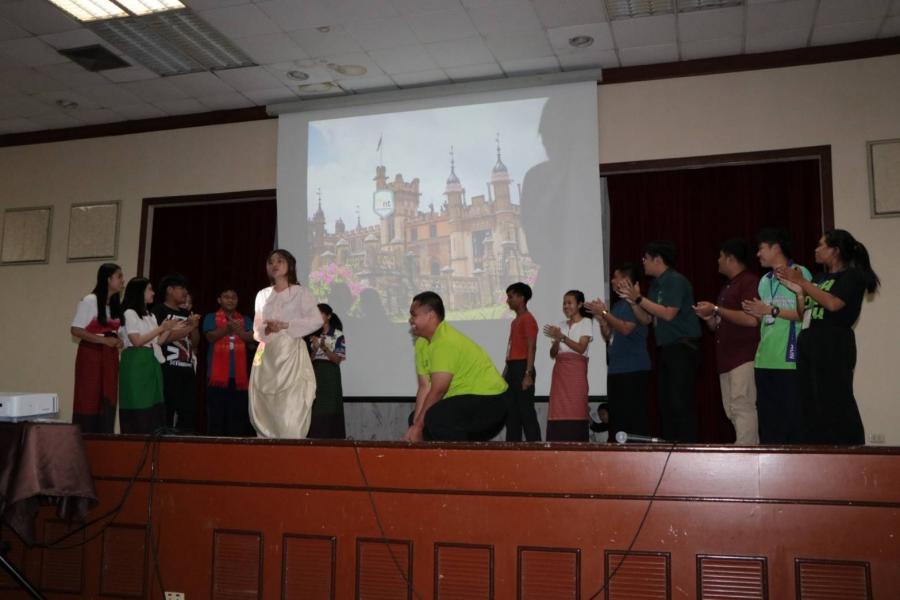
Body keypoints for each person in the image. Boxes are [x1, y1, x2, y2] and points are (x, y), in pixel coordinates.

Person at [775, 229, 879, 445]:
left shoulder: (852, 276)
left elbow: (833, 304)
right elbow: (804, 312)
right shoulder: (819, 278)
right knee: (810, 400)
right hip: (810, 342)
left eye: (821, 245)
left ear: (835, 251)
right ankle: (817, 447)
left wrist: (804, 283)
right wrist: (799, 292)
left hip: (833, 343)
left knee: (834, 397)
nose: (816, 249)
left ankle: (849, 446)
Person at [617, 241, 701, 443]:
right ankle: (670, 447)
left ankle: (686, 448)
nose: (643, 261)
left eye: (646, 258)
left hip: (683, 347)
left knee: (680, 402)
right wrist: (633, 302)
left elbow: (669, 314)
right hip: (667, 349)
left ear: (658, 259)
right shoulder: (656, 285)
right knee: (666, 403)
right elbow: (647, 319)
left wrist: (639, 299)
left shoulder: (674, 280)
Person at [403, 291, 508, 442]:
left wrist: (418, 426)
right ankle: (436, 456)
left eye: (414, 315)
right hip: (464, 399)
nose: (410, 320)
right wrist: (415, 426)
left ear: (430, 316)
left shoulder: (445, 342)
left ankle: (460, 457)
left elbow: (438, 391)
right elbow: (424, 387)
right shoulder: (421, 343)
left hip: (491, 400)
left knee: (434, 417)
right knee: (416, 418)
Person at [741, 228, 811, 444]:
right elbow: (768, 317)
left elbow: (804, 315)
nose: (758, 254)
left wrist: (770, 310)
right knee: (770, 424)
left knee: (793, 423)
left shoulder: (799, 273)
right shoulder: (765, 280)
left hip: (789, 360)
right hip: (764, 360)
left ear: (776, 247)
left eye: (761, 248)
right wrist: (758, 312)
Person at [249, 249, 323, 439]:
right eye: (270, 262)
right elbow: (256, 327)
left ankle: (291, 444)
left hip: (290, 351)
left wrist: (286, 325)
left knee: (291, 404)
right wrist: (267, 329)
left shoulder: (300, 292)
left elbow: (316, 321)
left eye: (279, 261)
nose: (274, 265)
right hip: (265, 352)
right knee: (264, 402)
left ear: (289, 265)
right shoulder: (262, 295)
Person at [694, 239, 762, 445]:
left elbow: (751, 319)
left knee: (742, 406)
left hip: (743, 356)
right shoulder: (728, 286)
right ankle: (746, 447)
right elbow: (717, 326)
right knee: (731, 409)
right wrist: (709, 317)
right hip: (726, 359)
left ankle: (747, 452)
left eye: (721, 256)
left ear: (731, 258)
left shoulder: (749, 282)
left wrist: (716, 309)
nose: (718, 260)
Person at [587, 262, 651, 441]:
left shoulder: (633, 304)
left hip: (633, 368)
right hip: (616, 369)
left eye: (615, 277)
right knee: (618, 417)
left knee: (633, 417)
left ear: (626, 279)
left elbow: (625, 329)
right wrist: (602, 320)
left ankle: (637, 453)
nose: (613, 281)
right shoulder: (618, 306)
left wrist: (604, 313)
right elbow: (608, 336)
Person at [119, 278, 182, 434]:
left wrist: (169, 328)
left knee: (154, 405)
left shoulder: (150, 315)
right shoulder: (129, 313)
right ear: (139, 292)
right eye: (149, 289)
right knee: (138, 403)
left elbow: (158, 341)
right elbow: (136, 341)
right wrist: (161, 328)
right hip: (136, 362)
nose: (153, 293)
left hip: (151, 360)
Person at [70, 263, 124, 433]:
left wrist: (119, 341)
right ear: (108, 279)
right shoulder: (90, 300)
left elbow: (115, 333)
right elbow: (75, 330)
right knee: (89, 397)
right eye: (119, 276)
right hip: (91, 356)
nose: (123, 281)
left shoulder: (115, 305)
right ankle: (85, 439)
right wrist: (103, 341)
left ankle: (104, 441)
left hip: (110, 357)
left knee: (108, 398)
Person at [202, 287, 255, 437]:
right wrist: (228, 328)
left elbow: (251, 341)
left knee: (237, 420)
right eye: (226, 297)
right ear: (219, 300)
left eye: (234, 297)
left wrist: (239, 331)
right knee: (216, 419)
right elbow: (210, 337)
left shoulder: (245, 320)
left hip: (239, 379)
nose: (230, 300)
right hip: (216, 378)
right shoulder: (211, 317)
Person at [152, 273, 200, 433]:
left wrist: (194, 327)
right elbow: (160, 339)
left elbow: (195, 343)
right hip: (168, 369)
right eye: (181, 288)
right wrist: (189, 327)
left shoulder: (186, 313)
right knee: (167, 413)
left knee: (188, 414)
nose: (185, 292)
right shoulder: (158, 310)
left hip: (187, 369)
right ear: (170, 290)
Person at [543, 290, 594, 442]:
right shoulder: (560, 325)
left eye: (570, 302)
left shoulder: (586, 322)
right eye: (564, 303)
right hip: (560, 375)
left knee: (576, 407)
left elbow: (581, 348)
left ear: (579, 305)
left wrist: (562, 337)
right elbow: (553, 354)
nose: (566, 306)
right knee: (558, 409)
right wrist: (557, 341)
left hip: (576, 373)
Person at [502, 282, 540, 441]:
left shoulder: (528, 319)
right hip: (512, 368)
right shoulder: (515, 321)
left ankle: (536, 448)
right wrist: (505, 373)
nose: (508, 300)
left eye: (511, 297)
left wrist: (528, 374)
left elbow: (532, 347)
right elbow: (511, 349)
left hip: (523, 367)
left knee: (526, 412)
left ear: (521, 298)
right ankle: (512, 448)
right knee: (512, 413)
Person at [305, 303, 347, 439]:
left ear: (328, 316)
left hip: (330, 374)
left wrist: (323, 347)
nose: (317, 317)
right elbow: (309, 360)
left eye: (320, 314)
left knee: (330, 407)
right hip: (316, 373)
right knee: (315, 406)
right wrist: (315, 348)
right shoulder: (313, 335)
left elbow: (337, 360)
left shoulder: (338, 334)